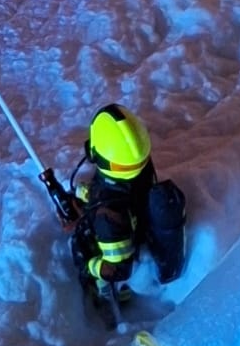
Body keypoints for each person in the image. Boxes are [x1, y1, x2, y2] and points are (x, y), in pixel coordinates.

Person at [67, 103, 186, 311]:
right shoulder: (142, 167)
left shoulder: (107, 217)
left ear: (94, 153)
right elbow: (123, 193)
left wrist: (91, 266)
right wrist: (90, 194)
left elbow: (119, 270)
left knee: (81, 246)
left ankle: (114, 299)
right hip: (139, 224)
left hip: (126, 259)